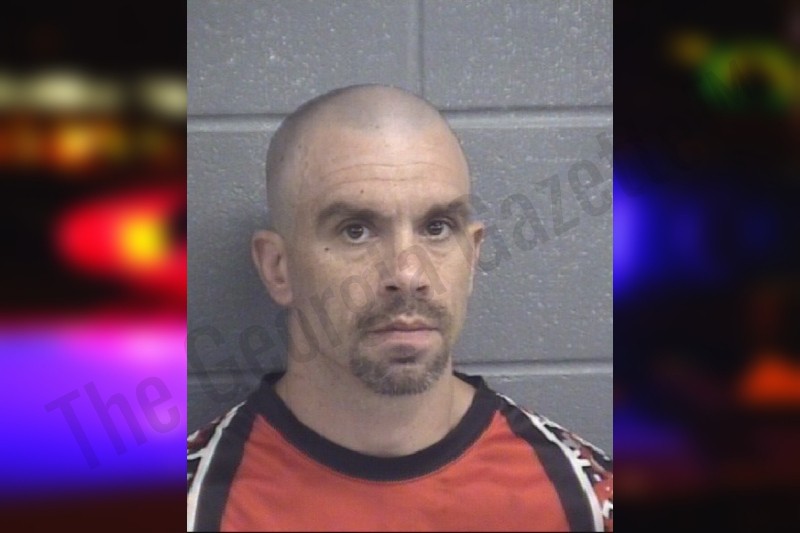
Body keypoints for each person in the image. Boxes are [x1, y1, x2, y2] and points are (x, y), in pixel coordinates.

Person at [187, 84, 613, 532]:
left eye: (437, 227)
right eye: (356, 230)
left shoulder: (586, 502)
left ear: (471, 257)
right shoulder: (194, 508)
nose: (408, 274)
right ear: (279, 268)